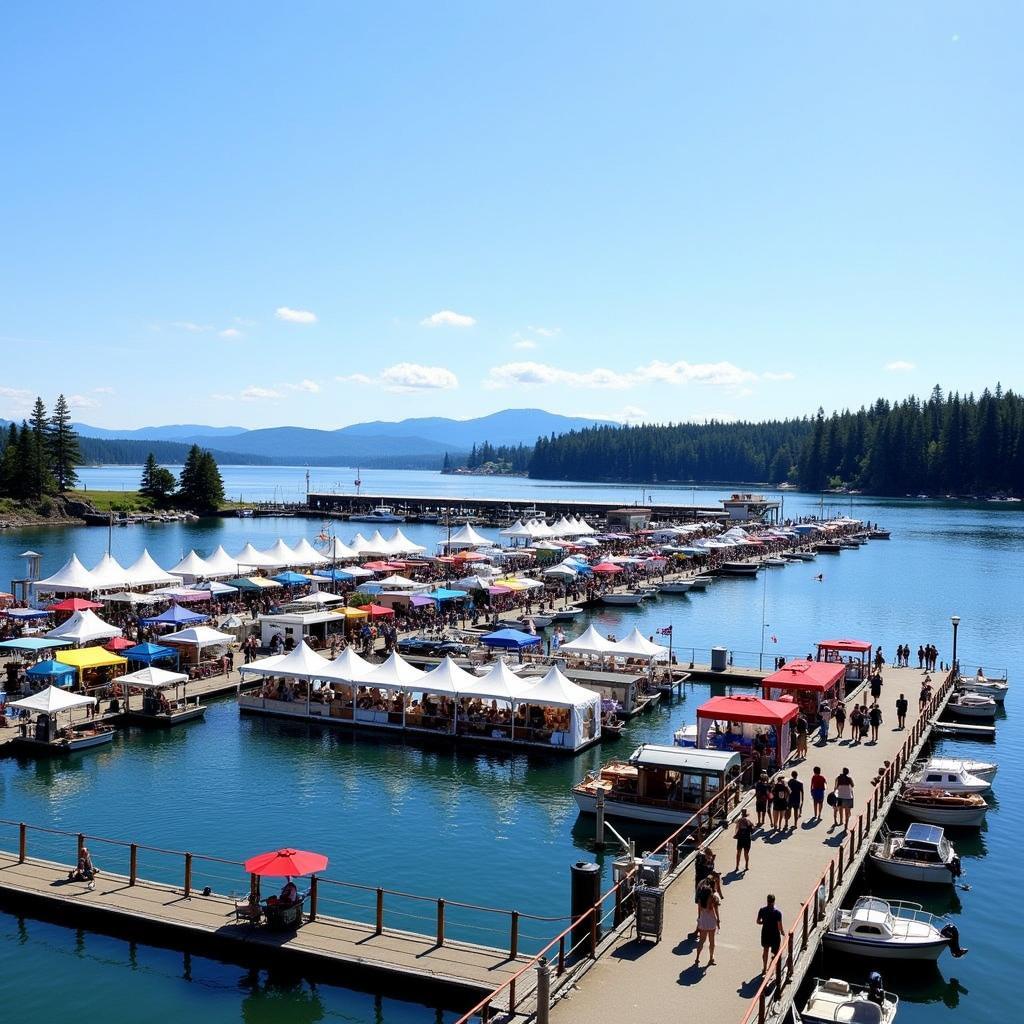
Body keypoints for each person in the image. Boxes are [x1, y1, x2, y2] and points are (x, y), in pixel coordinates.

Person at [694, 876, 721, 967]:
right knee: (712, 941)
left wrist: (699, 919)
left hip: (703, 921)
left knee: (701, 941)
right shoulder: (712, 900)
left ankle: (697, 958)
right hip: (711, 922)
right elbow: (713, 911)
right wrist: (717, 920)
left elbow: (700, 910)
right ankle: (711, 958)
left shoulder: (701, 901)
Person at [756, 894, 783, 973]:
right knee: (775, 952)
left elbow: (758, 921)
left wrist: (763, 923)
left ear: (767, 901)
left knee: (765, 950)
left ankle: (764, 968)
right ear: (774, 902)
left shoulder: (762, 910)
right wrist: (782, 932)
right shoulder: (778, 913)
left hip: (765, 932)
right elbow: (779, 926)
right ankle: (771, 969)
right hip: (775, 934)